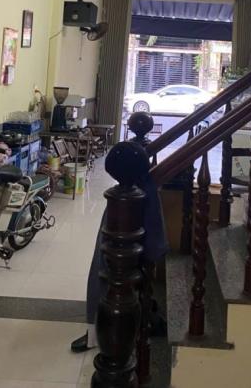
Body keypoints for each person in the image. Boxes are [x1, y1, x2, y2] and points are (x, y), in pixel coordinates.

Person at [71, 140, 168, 353]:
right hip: (131, 253)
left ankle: (99, 335)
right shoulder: (146, 186)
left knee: (103, 276)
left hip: (121, 257)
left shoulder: (134, 194)